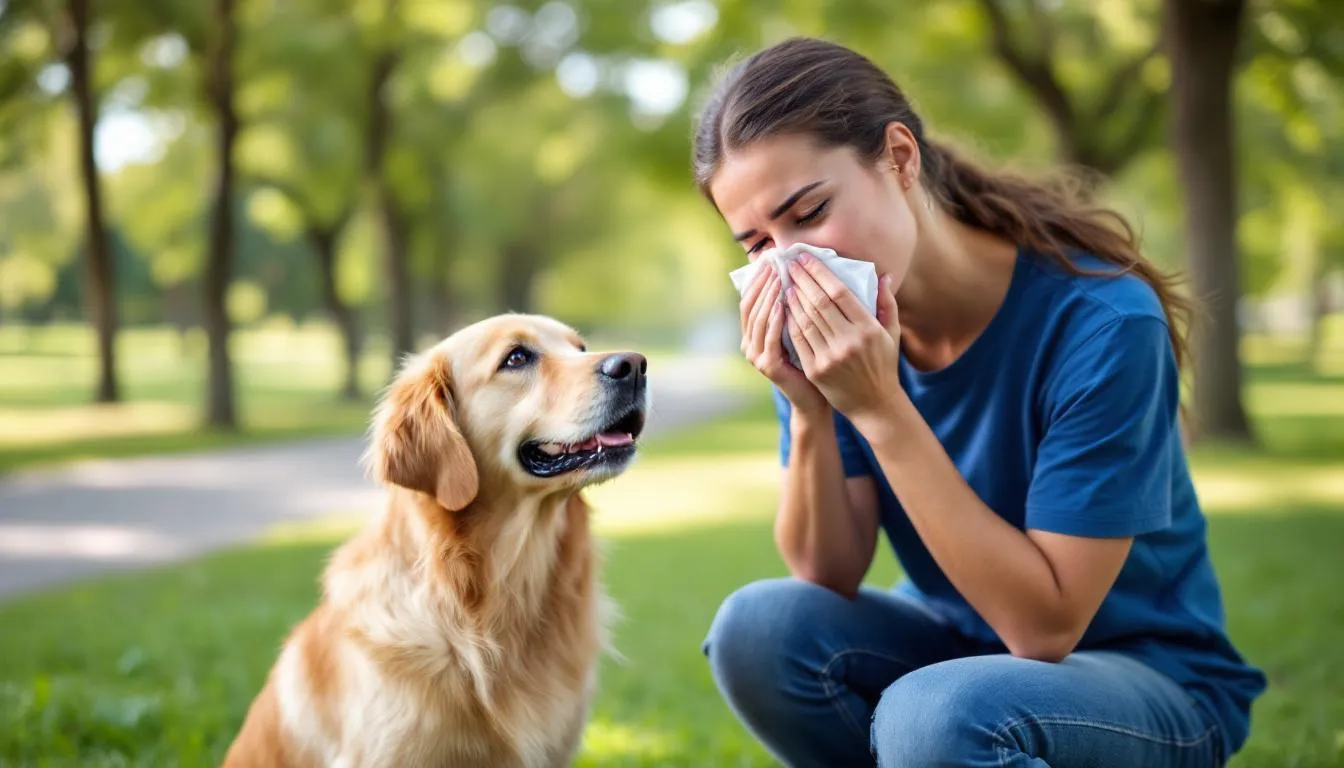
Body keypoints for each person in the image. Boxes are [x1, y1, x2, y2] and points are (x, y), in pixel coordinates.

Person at [692, 36, 1266, 768]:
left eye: (808, 212)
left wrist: (881, 411)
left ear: (900, 158)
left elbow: (1045, 628)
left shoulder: (1104, 323)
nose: (792, 263)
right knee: (758, 628)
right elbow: (827, 572)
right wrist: (810, 411)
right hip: (959, 641)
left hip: (1149, 680)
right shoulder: (839, 334)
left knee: (934, 716)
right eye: (757, 245)